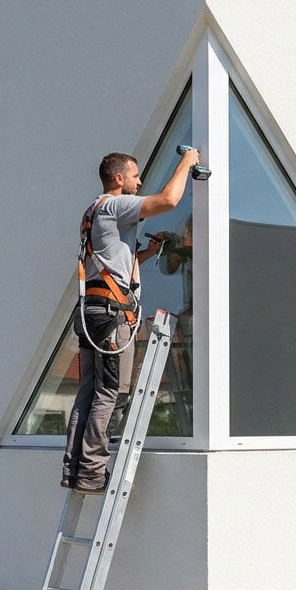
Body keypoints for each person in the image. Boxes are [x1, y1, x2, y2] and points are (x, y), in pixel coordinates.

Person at [62, 147, 201, 493]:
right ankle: (93, 472)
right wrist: (188, 161)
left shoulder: (93, 211)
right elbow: (168, 200)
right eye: (136, 175)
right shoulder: (114, 204)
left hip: (92, 310)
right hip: (111, 316)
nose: (140, 182)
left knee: (89, 391)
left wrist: (149, 253)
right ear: (119, 178)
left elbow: (112, 260)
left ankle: (75, 469)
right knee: (112, 392)